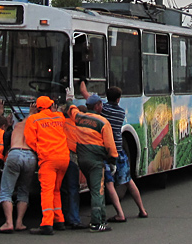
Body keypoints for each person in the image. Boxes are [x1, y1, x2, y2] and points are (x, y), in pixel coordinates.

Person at [100, 86, 149, 221]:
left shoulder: (104, 110)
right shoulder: (121, 112)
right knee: (128, 181)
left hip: (108, 152)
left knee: (109, 184)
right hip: (119, 152)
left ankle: (120, 215)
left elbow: (88, 97)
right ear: (118, 99)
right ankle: (142, 210)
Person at [73, 94, 120, 232]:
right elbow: (110, 147)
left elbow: (71, 109)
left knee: (95, 189)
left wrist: (70, 100)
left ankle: (102, 219)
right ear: (97, 106)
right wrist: (112, 162)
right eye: (101, 104)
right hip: (95, 162)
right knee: (97, 191)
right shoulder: (103, 122)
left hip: (82, 160)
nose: (102, 106)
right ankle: (96, 223)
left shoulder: (79, 117)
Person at [24, 95, 69, 235]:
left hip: (48, 159)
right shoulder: (59, 117)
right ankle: (59, 219)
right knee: (56, 189)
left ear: (37, 108)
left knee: (47, 191)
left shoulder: (33, 119)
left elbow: (30, 140)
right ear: (51, 106)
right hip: (63, 158)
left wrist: (40, 152)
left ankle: (47, 223)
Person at [0, 104, 37, 233]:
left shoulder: (18, 126)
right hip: (30, 156)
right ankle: (19, 222)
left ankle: (8, 222)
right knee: (24, 190)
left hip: (15, 153)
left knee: (6, 190)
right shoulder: (36, 127)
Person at [60, 96, 84, 230]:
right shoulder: (79, 123)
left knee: (62, 189)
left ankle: (61, 217)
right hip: (73, 158)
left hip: (60, 157)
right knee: (73, 189)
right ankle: (74, 219)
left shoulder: (60, 121)